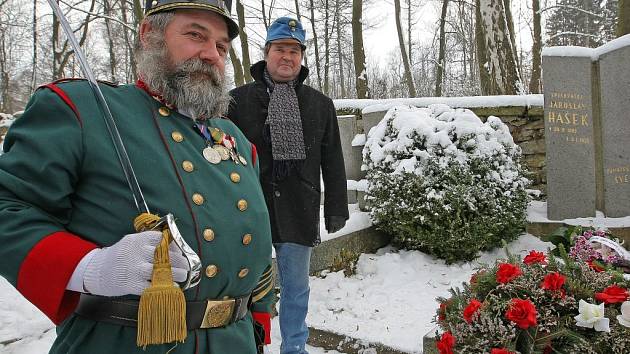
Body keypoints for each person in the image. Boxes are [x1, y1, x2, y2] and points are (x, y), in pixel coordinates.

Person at [0, 1, 274, 353]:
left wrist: (258, 326)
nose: (211, 54)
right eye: (195, 35)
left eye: (221, 46)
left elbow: (256, 251)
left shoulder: (235, 138)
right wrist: (90, 267)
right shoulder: (83, 109)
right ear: (150, 35)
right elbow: (8, 207)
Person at [227, 17, 349, 354]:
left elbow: (333, 160)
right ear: (266, 53)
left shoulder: (320, 104)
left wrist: (335, 209)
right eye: (280, 48)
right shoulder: (236, 102)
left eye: (294, 50)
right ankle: (251, 346)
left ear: (301, 56)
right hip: (250, 211)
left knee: (296, 288)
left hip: (299, 209)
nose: (287, 56)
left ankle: (294, 348)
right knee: (250, 287)